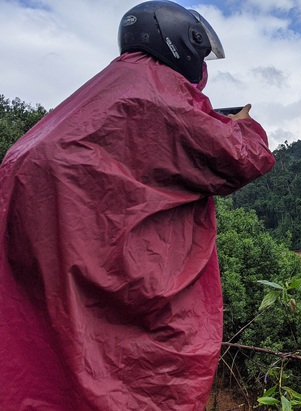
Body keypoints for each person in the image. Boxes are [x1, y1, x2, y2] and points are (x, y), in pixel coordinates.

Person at [0, 1, 275, 409]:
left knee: (49, 354)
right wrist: (242, 124)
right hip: (114, 270)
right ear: (185, 43)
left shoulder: (93, 93)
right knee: (134, 368)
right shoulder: (163, 92)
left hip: (49, 258)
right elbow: (243, 158)